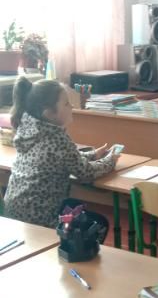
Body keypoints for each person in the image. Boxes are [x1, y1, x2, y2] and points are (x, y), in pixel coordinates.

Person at [4, 77, 118, 238]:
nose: (71, 106)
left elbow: (60, 158)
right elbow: (86, 173)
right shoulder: (56, 138)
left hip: (14, 213)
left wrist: (93, 154)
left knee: (75, 206)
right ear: (49, 114)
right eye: (66, 104)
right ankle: (71, 254)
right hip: (40, 220)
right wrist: (110, 160)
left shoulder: (28, 129)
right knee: (98, 224)